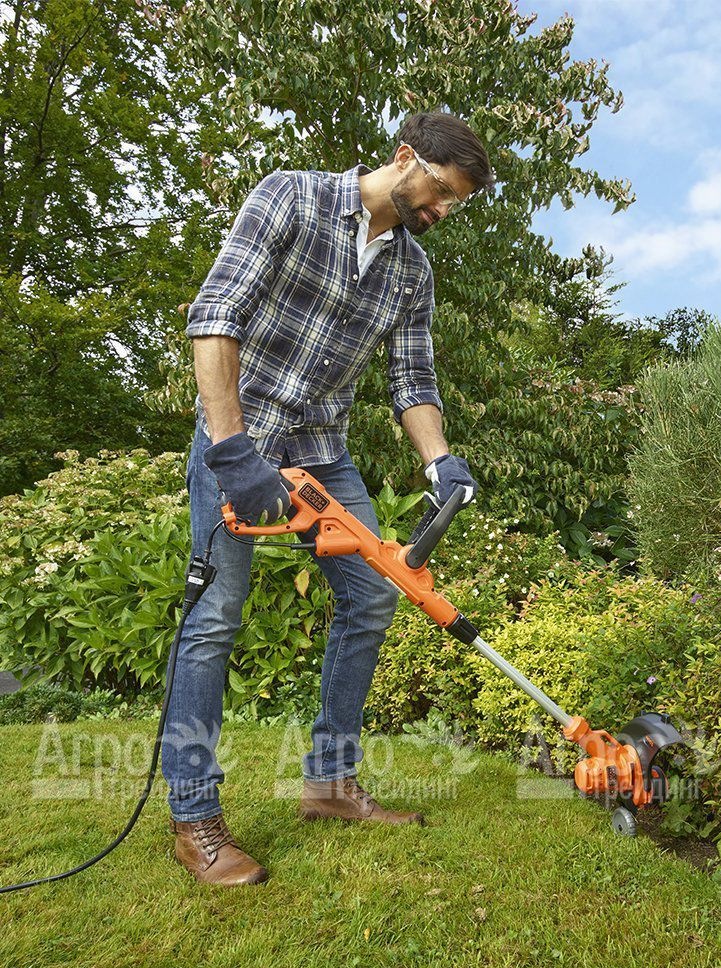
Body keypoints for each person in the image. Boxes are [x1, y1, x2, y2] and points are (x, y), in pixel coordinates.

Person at [161, 111, 494, 886]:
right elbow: (215, 316)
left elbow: (412, 379)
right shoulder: (292, 197)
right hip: (238, 437)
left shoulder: (412, 272)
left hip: (322, 454)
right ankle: (194, 817)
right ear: (405, 157)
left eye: (457, 203)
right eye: (442, 192)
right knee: (214, 618)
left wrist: (440, 460)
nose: (444, 211)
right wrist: (232, 450)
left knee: (373, 595)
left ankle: (330, 782)